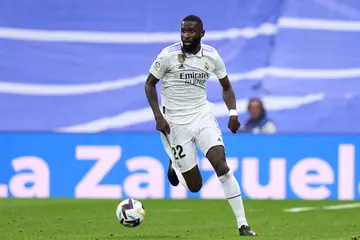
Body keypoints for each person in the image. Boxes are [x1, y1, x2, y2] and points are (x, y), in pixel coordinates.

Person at [144, 15, 256, 236]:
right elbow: (149, 84)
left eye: (191, 31)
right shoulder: (167, 55)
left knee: (221, 165)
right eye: (183, 31)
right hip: (175, 124)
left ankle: (243, 224)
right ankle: (175, 165)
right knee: (195, 186)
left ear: (201, 34)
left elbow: (227, 87)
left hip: (202, 116)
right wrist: (158, 116)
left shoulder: (212, 56)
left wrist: (233, 113)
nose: (186, 35)